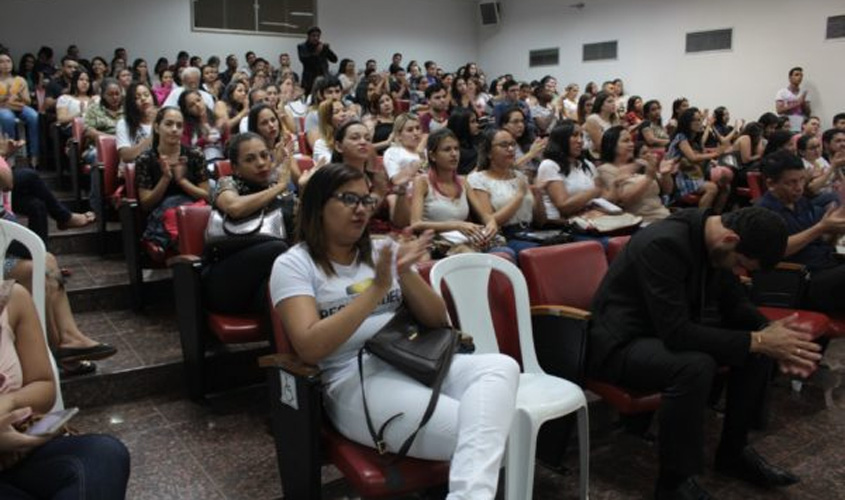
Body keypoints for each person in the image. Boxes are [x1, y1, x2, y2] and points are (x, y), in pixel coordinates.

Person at [270, 163, 519, 499]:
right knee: (482, 432)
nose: (361, 209)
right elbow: (310, 347)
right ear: (317, 204)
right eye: (348, 199)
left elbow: (438, 320)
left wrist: (405, 273)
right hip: (351, 377)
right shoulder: (293, 264)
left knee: (501, 366)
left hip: (413, 358)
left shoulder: (379, 249)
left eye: (366, 200)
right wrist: (377, 287)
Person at [588, 206, 821, 499]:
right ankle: (673, 484)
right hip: (620, 343)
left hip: (662, 335)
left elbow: (734, 303)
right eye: (740, 264)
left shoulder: (714, 239)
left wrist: (770, 331)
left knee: (759, 349)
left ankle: (733, 453)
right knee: (695, 365)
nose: (738, 272)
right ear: (730, 239)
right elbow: (676, 333)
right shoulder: (664, 244)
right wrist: (758, 339)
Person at [0, 279, 130, 498]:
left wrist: (10, 402)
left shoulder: (13, 298)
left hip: (18, 452)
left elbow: (43, 385)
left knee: (104, 454)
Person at [203, 132, 291, 315]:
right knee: (277, 248)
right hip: (227, 282)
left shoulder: (276, 189)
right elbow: (234, 207)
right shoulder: (227, 183)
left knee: (286, 296)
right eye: (250, 159)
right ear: (235, 167)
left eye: (264, 155)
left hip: (262, 286)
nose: (260, 163)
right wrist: (279, 187)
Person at [757, 150, 845, 314]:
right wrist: (821, 227)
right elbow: (776, 251)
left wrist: (835, 229)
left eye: (802, 180)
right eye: (790, 183)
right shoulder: (763, 213)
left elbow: (822, 240)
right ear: (771, 184)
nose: (798, 188)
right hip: (801, 281)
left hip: (826, 267)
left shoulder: (802, 203)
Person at [410, 129, 502, 256]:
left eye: (456, 149)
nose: (454, 154)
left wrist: (491, 223)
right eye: (447, 150)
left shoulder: (463, 181)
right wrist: (456, 225)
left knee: (505, 253)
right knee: (469, 255)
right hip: (435, 245)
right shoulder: (422, 182)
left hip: (464, 241)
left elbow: (484, 215)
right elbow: (415, 224)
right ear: (432, 156)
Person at [134, 107, 210, 251]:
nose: (175, 129)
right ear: (157, 127)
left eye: (179, 125)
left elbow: (207, 196)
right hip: (163, 215)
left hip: (193, 211)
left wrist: (182, 181)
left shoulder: (195, 154)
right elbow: (146, 204)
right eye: (168, 124)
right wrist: (165, 178)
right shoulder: (145, 159)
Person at [467, 128, 546, 253]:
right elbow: (489, 222)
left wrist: (538, 196)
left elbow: (540, 222)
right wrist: (519, 196)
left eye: (512, 144)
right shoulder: (478, 179)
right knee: (540, 253)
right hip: (503, 238)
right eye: (504, 145)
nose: (510, 149)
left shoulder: (520, 176)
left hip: (531, 233)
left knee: (562, 246)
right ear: (488, 153)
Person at [597, 126, 674, 224]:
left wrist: (666, 174)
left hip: (664, 215)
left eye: (631, 140)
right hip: (642, 222)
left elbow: (667, 190)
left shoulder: (641, 163)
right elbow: (623, 201)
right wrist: (648, 178)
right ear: (612, 145)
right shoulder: (606, 169)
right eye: (626, 141)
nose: (631, 144)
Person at [535, 121, 602, 223]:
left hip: (589, 220)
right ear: (561, 139)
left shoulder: (587, 165)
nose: (580, 141)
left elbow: (601, 197)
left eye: (581, 135)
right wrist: (593, 192)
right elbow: (564, 206)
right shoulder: (549, 165)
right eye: (574, 135)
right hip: (560, 226)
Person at [0, 51, 39, 167]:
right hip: (3, 108)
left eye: (8, 61)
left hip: (19, 106)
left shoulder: (20, 80)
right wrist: (6, 97)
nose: (5, 64)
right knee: (7, 117)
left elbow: (27, 101)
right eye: (1, 62)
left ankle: (34, 154)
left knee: (34, 116)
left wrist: (20, 95)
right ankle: (10, 155)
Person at [116, 81, 157, 165]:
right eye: (137, 97)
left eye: (146, 95)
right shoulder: (123, 123)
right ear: (131, 103)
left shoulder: (163, 119)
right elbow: (126, 156)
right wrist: (154, 135)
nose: (143, 99)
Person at [298, 26, 338, 96]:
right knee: (309, 100)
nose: (316, 38)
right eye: (313, 36)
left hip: (323, 77)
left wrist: (327, 50)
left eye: (318, 36)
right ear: (308, 36)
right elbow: (305, 60)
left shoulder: (322, 46)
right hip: (309, 80)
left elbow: (334, 59)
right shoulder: (302, 47)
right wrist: (317, 52)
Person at [775, 67, 810, 133]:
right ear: (790, 78)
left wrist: (803, 103)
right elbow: (779, 110)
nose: (799, 77)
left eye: (801, 75)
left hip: (801, 126)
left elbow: (808, 113)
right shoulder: (782, 92)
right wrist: (797, 103)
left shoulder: (804, 93)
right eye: (796, 75)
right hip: (786, 126)